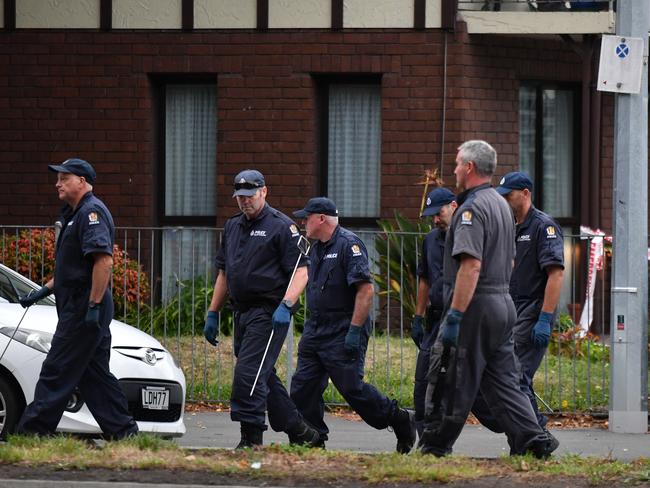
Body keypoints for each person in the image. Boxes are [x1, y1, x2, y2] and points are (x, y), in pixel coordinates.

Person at [419, 140, 558, 458]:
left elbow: (471, 264)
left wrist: (455, 314)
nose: (453, 169)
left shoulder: (471, 209)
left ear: (469, 167)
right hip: (504, 303)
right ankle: (534, 439)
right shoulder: (501, 207)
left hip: (475, 304)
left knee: (453, 374)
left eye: (456, 164)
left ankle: (435, 444)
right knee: (505, 380)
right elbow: (508, 261)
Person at [16, 158, 139, 439]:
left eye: (64, 178)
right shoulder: (75, 214)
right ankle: (125, 433)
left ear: (82, 182)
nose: (58, 183)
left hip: (85, 306)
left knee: (57, 369)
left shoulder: (91, 213)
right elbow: (74, 269)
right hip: (79, 303)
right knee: (93, 376)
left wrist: (93, 306)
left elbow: (103, 262)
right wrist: (44, 290)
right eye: (58, 178)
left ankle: (32, 433)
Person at [203, 170, 320, 448]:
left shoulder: (281, 226)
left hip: (268, 312)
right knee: (262, 374)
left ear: (264, 192)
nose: (245, 202)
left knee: (248, 374)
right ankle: (302, 432)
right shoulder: (232, 226)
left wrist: (286, 305)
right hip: (241, 311)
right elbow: (224, 273)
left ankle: (251, 438)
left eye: (250, 195)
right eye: (240, 197)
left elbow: (301, 271)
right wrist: (213, 312)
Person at [290, 197, 416, 453]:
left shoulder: (349, 245)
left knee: (352, 389)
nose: (303, 222)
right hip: (317, 328)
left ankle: (399, 418)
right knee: (303, 387)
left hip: (344, 326)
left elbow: (366, 291)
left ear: (321, 218)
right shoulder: (316, 248)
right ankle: (313, 441)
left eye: (307, 217)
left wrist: (354, 331)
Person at [496, 171, 564, 434]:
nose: (504, 201)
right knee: (517, 377)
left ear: (525, 194)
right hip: (513, 309)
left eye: (509, 195)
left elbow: (556, 274)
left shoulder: (543, 227)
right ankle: (538, 435)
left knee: (516, 377)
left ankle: (533, 437)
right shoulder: (512, 227)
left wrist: (545, 318)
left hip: (534, 309)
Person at [411, 187, 457, 438]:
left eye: (438, 213)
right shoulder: (430, 239)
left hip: (460, 319)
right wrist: (418, 316)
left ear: (453, 206)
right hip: (435, 319)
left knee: (474, 389)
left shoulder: (467, 236)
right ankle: (426, 439)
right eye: (432, 216)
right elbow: (425, 279)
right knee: (423, 382)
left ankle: (525, 431)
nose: (435, 220)